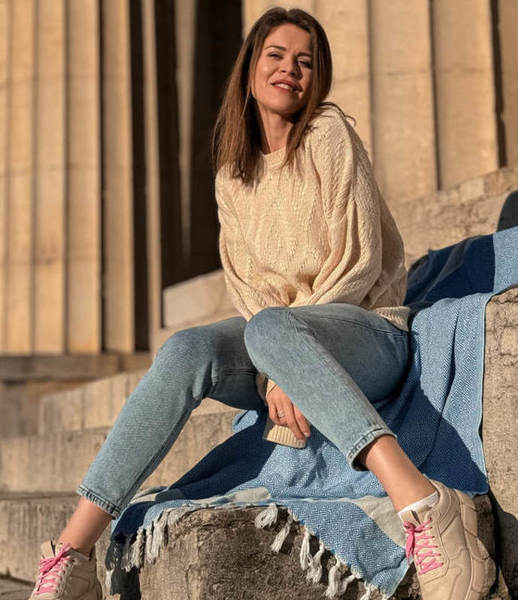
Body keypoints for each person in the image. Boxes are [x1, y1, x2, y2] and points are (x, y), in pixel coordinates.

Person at [28, 8, 494, 600]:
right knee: (187, 347)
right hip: (279, 343)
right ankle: (72, 554)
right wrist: (279, 359)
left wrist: (285, 354)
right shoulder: (233, 172)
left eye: (305, 62)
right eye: (276, 56)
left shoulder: (328, 133)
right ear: (250, 69)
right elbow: (247, 286)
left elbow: (357, 259)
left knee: (272, 327)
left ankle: (424, 503)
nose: (289, 70)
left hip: (366, 333)